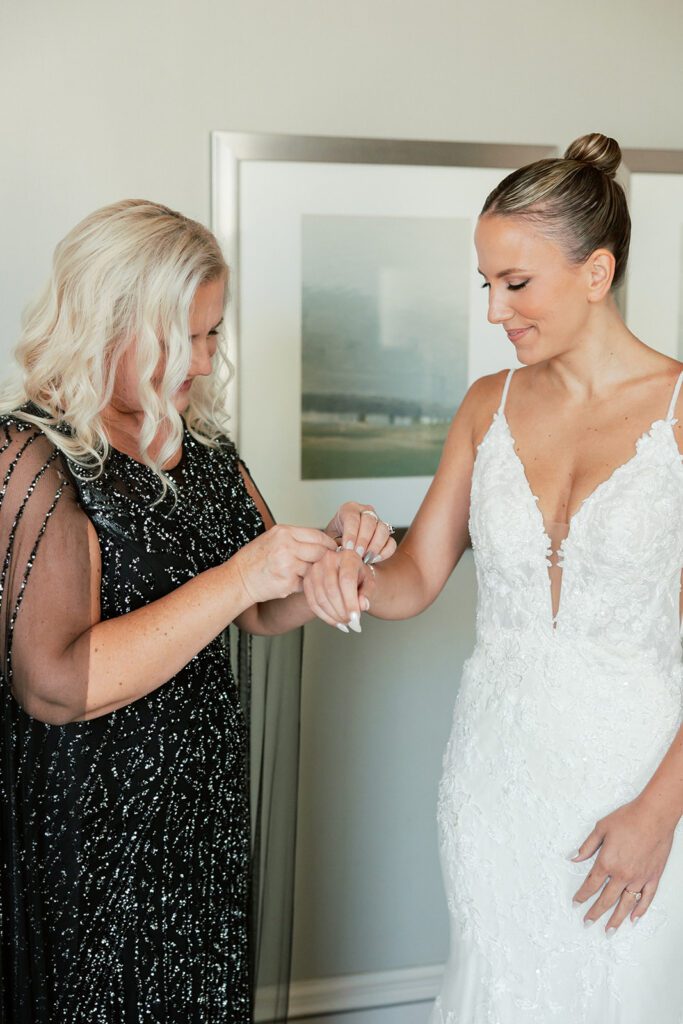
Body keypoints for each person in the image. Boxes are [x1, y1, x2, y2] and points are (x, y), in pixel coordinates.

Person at [304, 133, 683, 1022]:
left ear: (596, 272)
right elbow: (411, 581)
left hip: (636, 779)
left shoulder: (678, 414)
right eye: (487, 284)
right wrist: (345, 559)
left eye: (515, 284)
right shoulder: (487, 406)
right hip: (493, 776)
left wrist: (657, 812)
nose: (493, 311)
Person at [0, 199, 396, 1023]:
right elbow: (54, 684)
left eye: (214, 334)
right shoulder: (34, 455)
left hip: (199, 809)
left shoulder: (203, 447)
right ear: (106, 323)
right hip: (89, 828)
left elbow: (260, 609)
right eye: (188, 337)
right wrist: (242, 577)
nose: (208, 362)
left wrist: (329, 551)